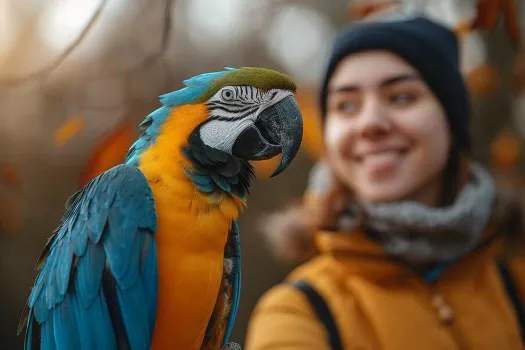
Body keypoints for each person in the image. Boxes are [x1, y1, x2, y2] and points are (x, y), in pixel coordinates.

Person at [244, 14, 525, 350]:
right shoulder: (297, 313)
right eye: (346, 105)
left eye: (401, 97)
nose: (370, 123)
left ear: (451, 122)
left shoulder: (515, 273)